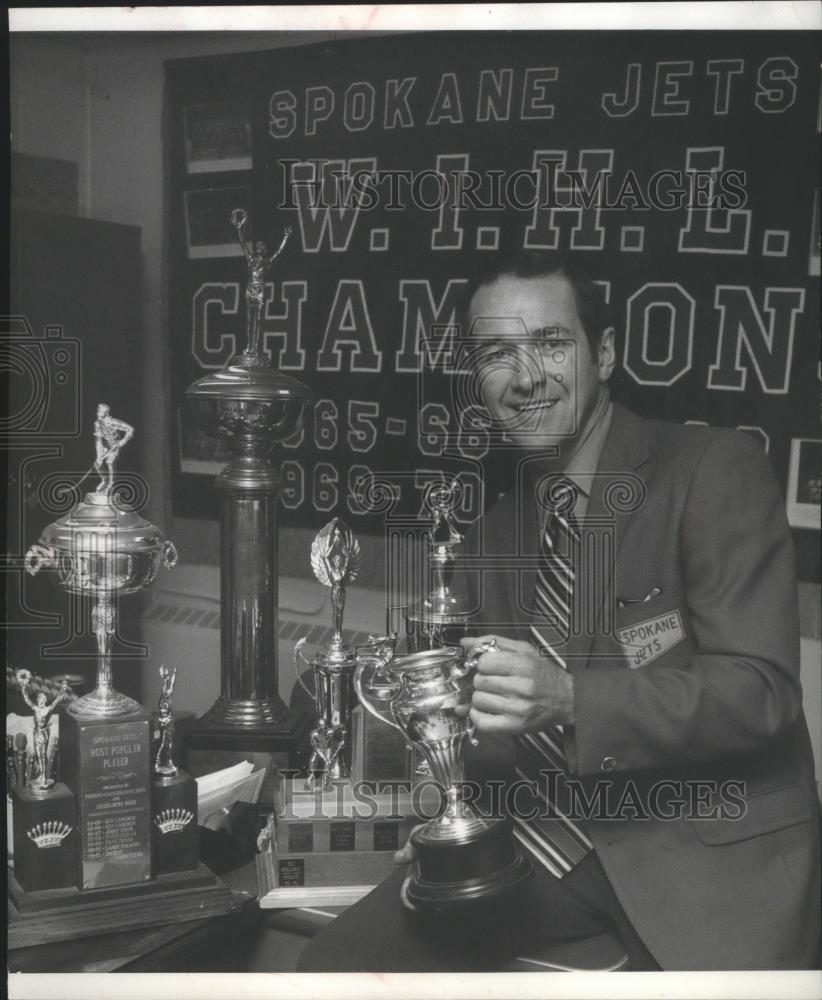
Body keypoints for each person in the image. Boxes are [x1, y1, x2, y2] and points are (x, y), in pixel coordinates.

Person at [298, 252, 820, 972]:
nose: (526, 378)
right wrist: (440, 788)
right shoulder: (495, 533)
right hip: (543, 850)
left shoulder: (712, 470)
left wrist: (571, 698)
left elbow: (762, 695)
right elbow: (494, 730)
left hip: (704, 863)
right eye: (497, 353)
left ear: (603, 354)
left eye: (550, 343)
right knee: (329, 969)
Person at [93, 402, 134, 496]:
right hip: (106, 447)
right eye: (97, 411)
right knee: (97, 464)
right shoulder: (97, 424)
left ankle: (111, 484)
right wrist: (99, 456)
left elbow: (130, 429)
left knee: (110, 462)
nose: (97, 413)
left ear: (106, 413)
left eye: (100, 412)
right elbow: (98, 441)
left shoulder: (114, 422)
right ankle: (105, 479)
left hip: (116, 445)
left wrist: (123, 441)